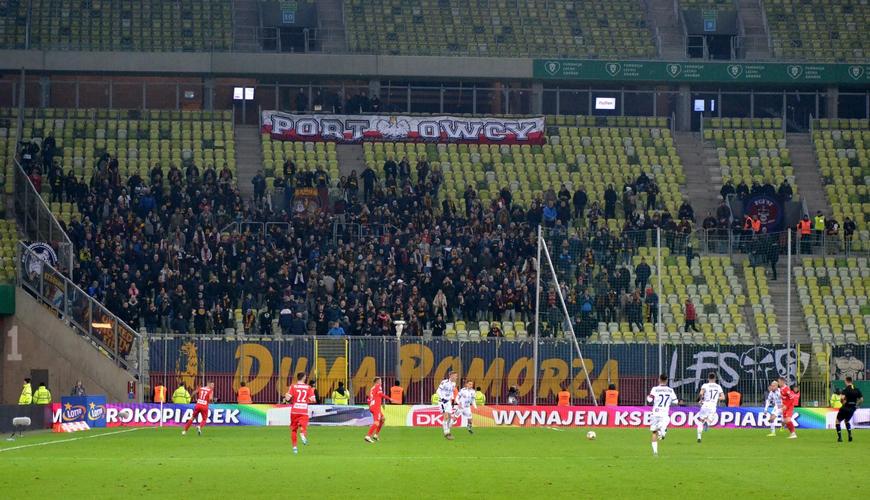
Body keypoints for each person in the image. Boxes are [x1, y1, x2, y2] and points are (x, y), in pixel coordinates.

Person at [283, 372, 316, 454]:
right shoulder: (308, 387)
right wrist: (307, 400)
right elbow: (313, 400)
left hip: (294, 410)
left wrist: (286, 396)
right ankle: (302, 433)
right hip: (303, 410)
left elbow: (287, 399)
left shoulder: (293, 386)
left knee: (294, 430)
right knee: (303, 426)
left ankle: (295, 448)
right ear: (304, 378)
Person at [647, 374, 679, 456]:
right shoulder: (670, 390)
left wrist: (648, 397)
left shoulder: (655, 389)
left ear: (659, 379)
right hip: (664, 413)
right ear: (667, 380)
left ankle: (655, 452)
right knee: (666, 422)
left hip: (655, 413)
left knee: (654, 432)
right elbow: (676, 401)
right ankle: (663, 431)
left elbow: (649, 400)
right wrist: (669, 401)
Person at [364, 376, 394, 443]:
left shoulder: (372, 388)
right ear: (377, 381)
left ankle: (376, 435)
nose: (381, 382)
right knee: (376, 422)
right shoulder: (378, 386)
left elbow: (369, 399)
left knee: (382, 419)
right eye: (380, 381)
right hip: (376, 406)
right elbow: (381, 394)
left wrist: (371, 406)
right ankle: (368, 436)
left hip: (373, 406)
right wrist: (389, 398)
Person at [696, 373, 724, 443]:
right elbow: (723, 397)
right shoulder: (718, 386)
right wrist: (716, 398)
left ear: (708, 378)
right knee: (711, 419)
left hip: (705, 404)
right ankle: (707, 423)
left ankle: (699, 437)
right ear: (715, 378)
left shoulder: (705, 385)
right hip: (713, 405)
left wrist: (700, 400)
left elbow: (701, 393)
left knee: (700, 421)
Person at [836, 376, 863, 442]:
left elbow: (842, 398)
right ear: (851, 381)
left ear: (846, 381)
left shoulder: (845, 390)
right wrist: (856, 405)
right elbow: (861, 399)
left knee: (837, 421)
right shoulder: (857, 389)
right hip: (852, 408)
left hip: (845, 408)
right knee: (847, 421)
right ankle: (850, 435)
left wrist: (843, 403)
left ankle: (840, 438)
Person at [436, 372, 458, 440]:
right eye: (455, 376)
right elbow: (438, 391)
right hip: (442, 402)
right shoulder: (444, 382)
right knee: (446, 417)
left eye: (456, 376)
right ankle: (446, 433)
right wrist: (442, 398)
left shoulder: (454, 384)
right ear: (451, 376)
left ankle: (448, 431)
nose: (456, 377)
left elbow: (451, 392)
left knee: (449, 417)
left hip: (448, 402)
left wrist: (453, 399)